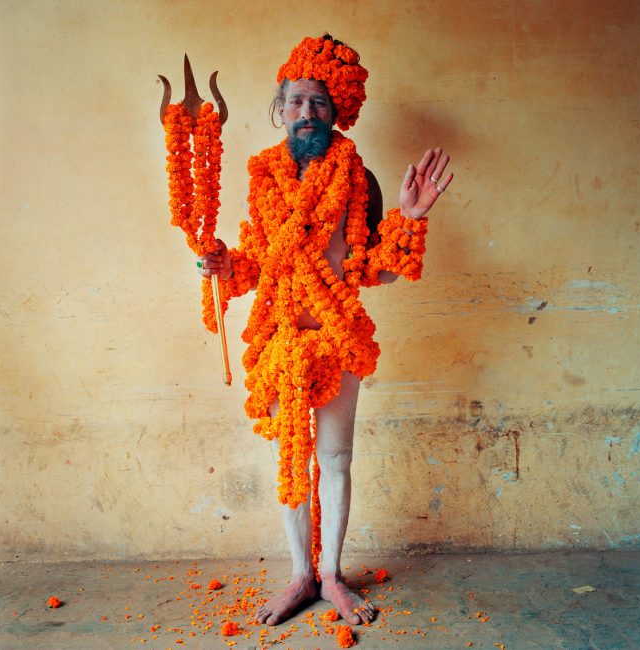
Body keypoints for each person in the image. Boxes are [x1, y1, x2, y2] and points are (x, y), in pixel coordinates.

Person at [197, 35, 453, 626]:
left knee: (334, 459)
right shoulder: (262, 180)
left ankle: (331, 575)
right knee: (290, 460)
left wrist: (409, 219)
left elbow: (372, 272)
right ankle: (298, 577)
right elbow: (257, 263)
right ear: (280, 110)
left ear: (336, 109)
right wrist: (222, 266)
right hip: (283, 338)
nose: (306, 113)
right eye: (295, 102)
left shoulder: (357, 178)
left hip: (337, 336)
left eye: (318, 102)